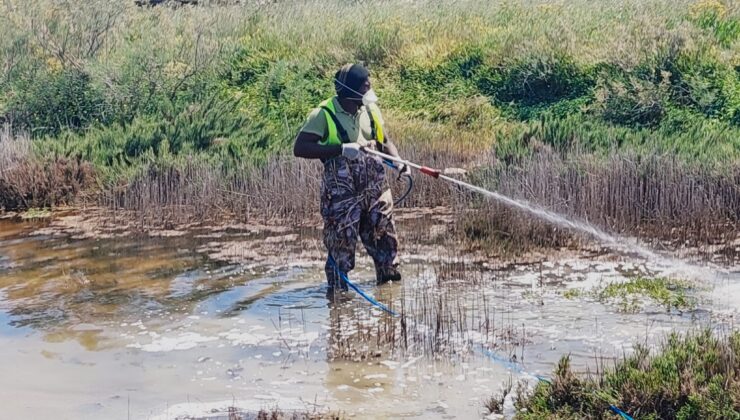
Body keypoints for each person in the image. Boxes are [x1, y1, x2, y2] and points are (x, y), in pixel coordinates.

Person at [293, 63, 408, 300]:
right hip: (342, 198)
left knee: (386, 243)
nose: (370, 90)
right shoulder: (323, 115)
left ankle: (388, 294)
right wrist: (341, 149)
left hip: (376, 192)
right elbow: (300, 148)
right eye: (366, 86)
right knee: (341, 249)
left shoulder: (371, 110)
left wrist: (398, 162)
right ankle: (339, 307)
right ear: (350, 91)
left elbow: (384, 141)